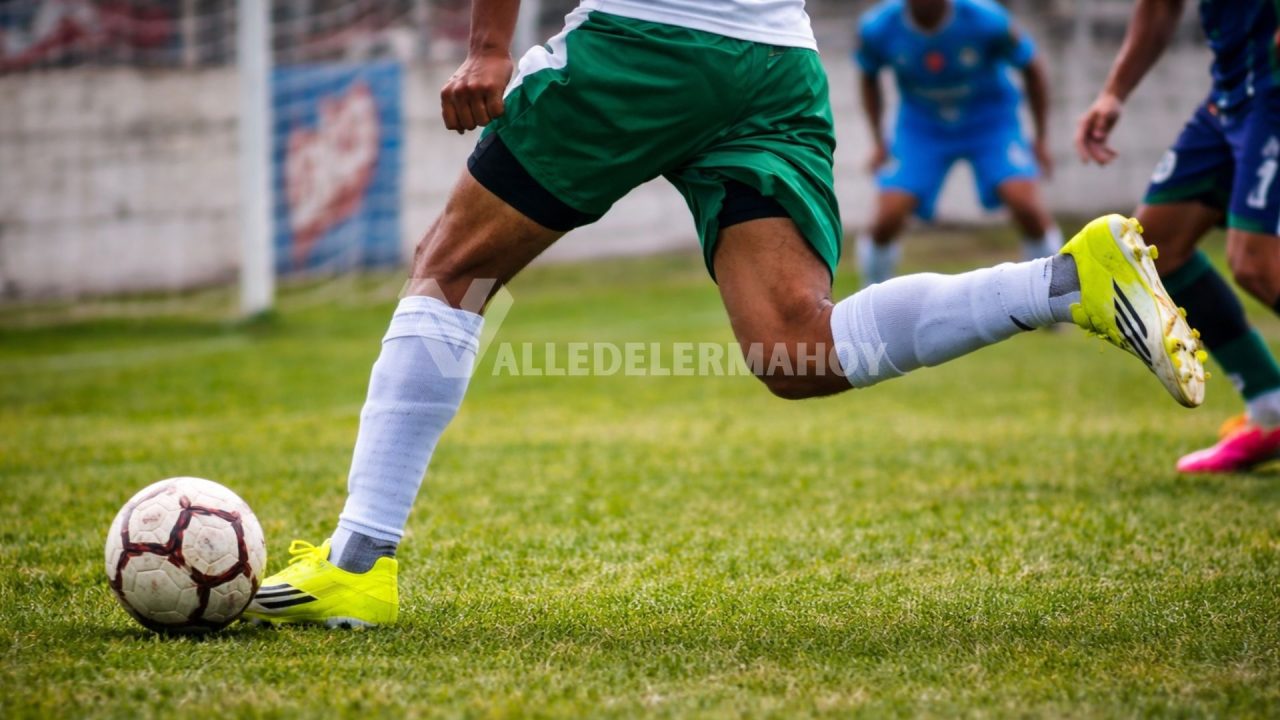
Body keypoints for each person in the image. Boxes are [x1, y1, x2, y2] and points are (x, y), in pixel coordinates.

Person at [243, 0, 1205, 628]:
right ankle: (1067, 283)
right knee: (798, 350)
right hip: (776, 63)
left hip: (643, 39)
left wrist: (491, 47)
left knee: (451, 269)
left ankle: (362, 561)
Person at [1076, 0, 1280, 472]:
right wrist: (1113, 93)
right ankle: (1270, 409)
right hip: (1229, 96)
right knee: (1154, 251)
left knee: (1256, 264)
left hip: (1273, 94)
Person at [855, 0, 1059, 288]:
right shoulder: (878, 27)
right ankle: (870, 297)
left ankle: (1051, 291)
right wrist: (878, 141)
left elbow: (1032, 68)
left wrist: (1040, 139)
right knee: (887, 216)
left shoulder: (987, 20)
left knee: (1025, 204)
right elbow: (868, 76)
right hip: (922, 127)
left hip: (989, 122)